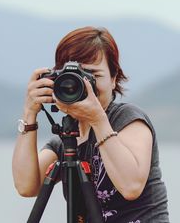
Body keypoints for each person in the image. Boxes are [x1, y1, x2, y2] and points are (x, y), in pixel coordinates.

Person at [12, 26, 170, 222]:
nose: (84, 84)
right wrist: (29, 114)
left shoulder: (128, 119)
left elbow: (131, 186)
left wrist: (97, 119)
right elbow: (26, 186)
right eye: (75, 76)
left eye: (93, 75)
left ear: (114, 79)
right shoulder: (67, 140)